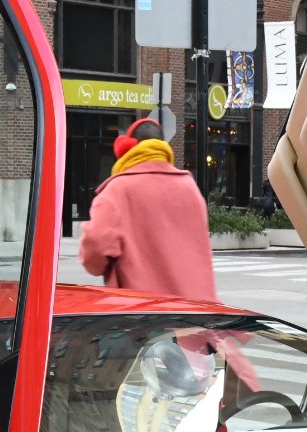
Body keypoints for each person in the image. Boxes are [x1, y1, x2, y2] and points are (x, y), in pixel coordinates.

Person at [78, 118, 217, 301]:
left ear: (127, 149)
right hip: (197, 314)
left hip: (145, 316)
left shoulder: (117, 191)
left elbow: (93, 256)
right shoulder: (189, 187)